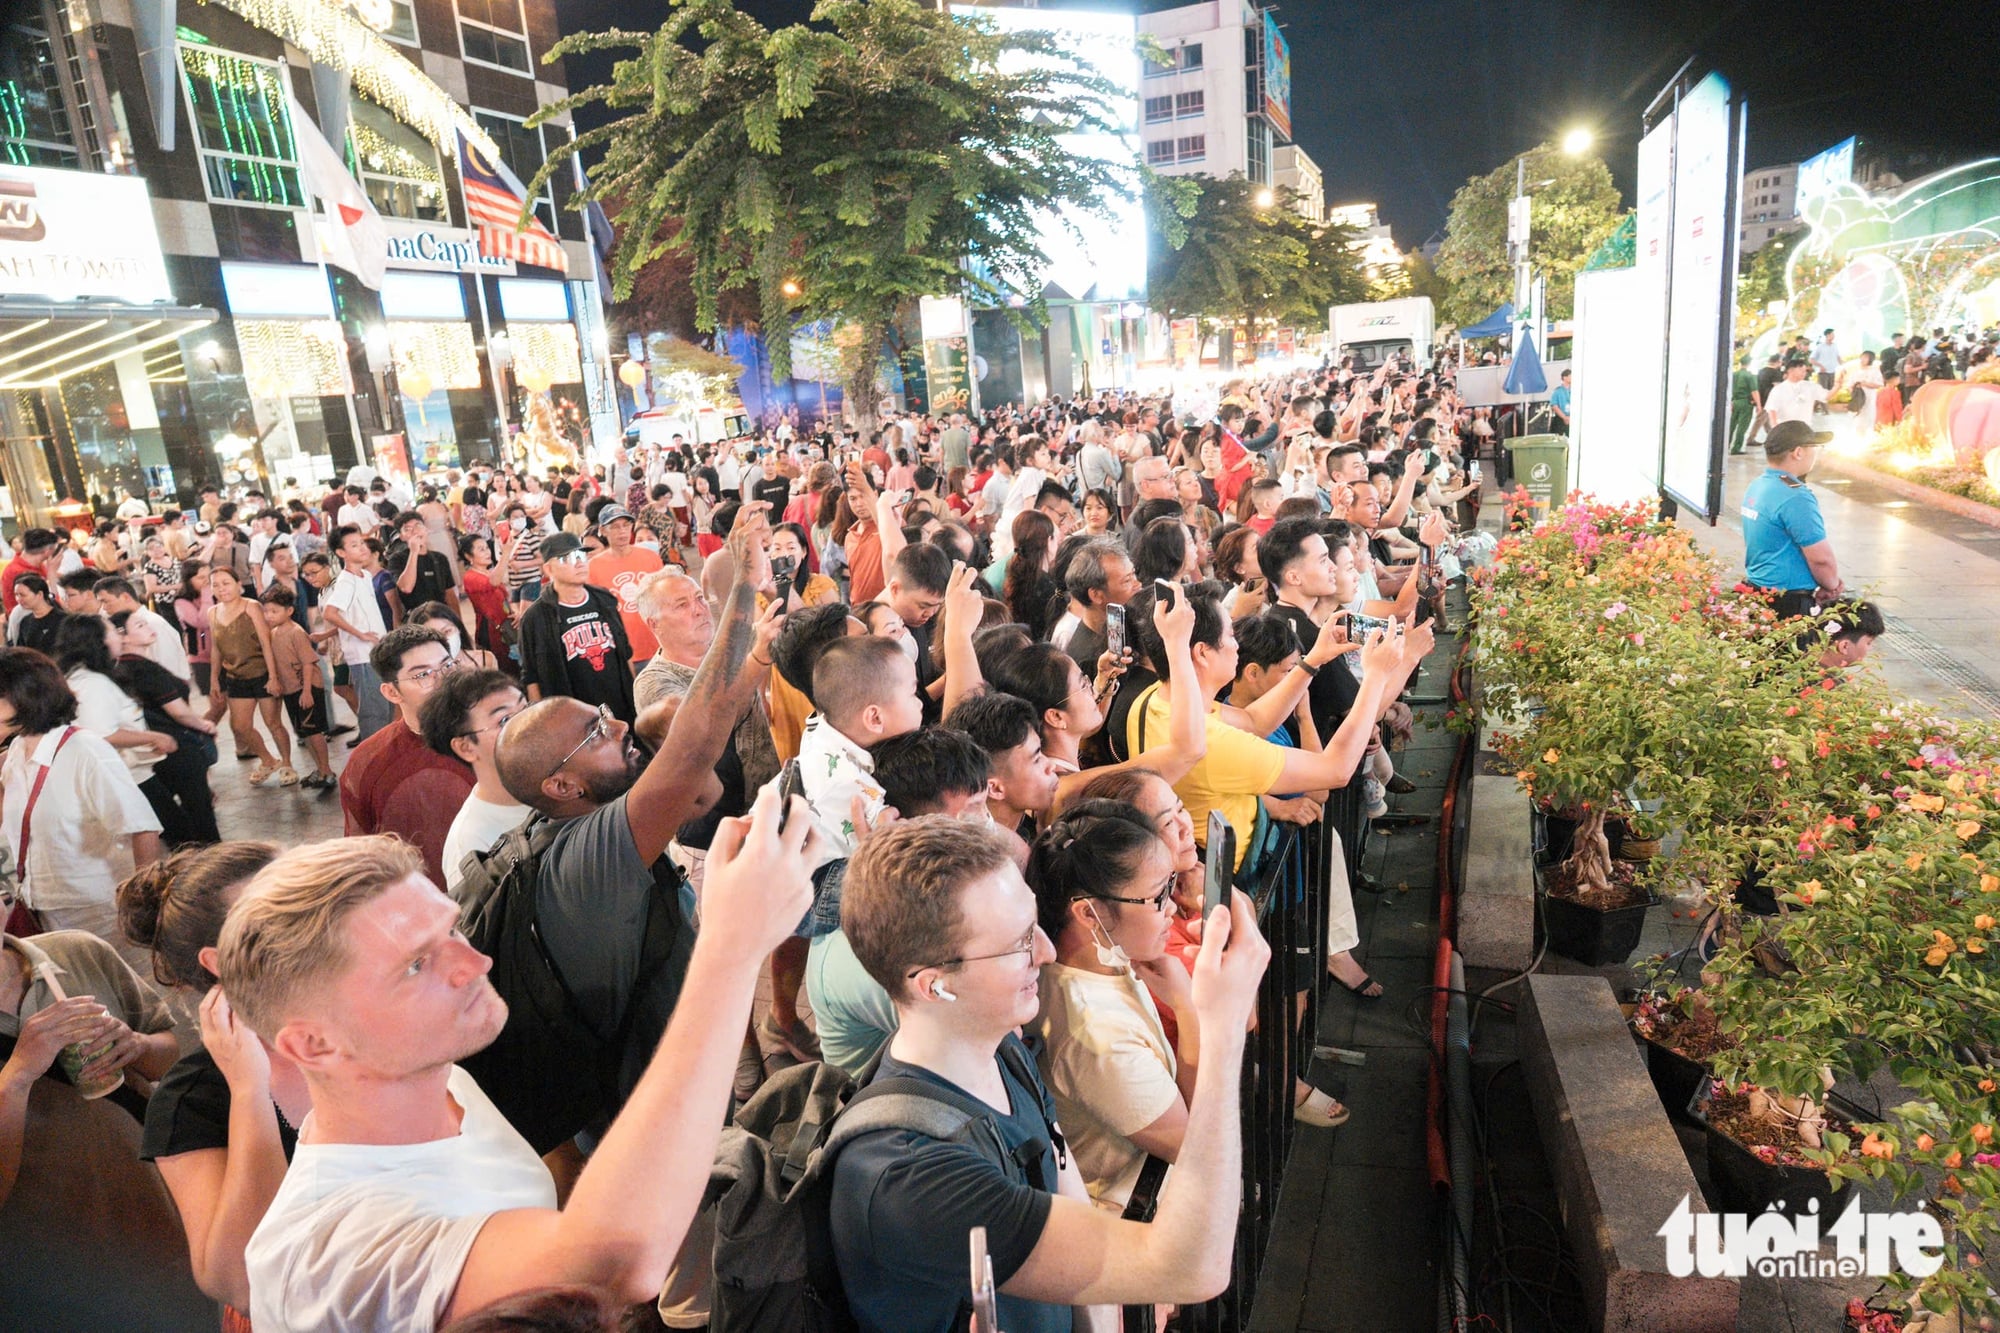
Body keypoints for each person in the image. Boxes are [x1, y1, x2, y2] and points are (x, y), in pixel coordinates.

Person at [218, 790, 815, 1333]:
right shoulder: (321, 1253)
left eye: (451, 931)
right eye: (415, 965)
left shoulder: (439, 1075)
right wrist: (731, 945)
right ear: (315, 1044)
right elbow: (609, 1266)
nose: (474, 963)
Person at [828, 816, 1267, 1332]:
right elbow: (1193, 1265)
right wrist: (1222, 1030)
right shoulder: (910, 1178)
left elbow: (1066, 1192)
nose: (1047, 951)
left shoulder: (1002, 1052)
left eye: (1035, 924)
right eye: (1018, 944)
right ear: (934, 985)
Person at [122, 842, 299, 1316]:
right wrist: (249, 1093)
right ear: (221, 963)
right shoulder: (194, 1100)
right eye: (285, 915)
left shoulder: (369, 1020)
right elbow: (239, 1281)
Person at [1029, 800, 1200, 1209]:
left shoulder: (1107, 960)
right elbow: (1193, 1144)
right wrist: (1189, 1008)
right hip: (1134, 1215)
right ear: (1089, 913)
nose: (1172, 907)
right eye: (1158, 896)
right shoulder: (1096, 1035)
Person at [0, 649, 162, 970]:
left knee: (112, 1005)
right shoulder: (17, 750)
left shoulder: (85, 750)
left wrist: (143, 904)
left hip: (95, 915)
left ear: (24, 698)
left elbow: (142, 826)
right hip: (41, 909)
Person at [339, 625, 477, 888]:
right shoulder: (368, 761)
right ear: (391, 692)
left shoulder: (493, 736)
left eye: (447, 666)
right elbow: (360, 854)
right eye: (423, 674)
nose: (443, 680)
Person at [420, 668, 530, 889]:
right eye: (505, 719)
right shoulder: (471, 845)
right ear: (466, 747)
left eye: (526, 709)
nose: (528, 723)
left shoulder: (564, 781)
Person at [517, 533, 636, 724]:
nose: (579, 563)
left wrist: (635, 698)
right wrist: (544, 724)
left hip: (622, 709)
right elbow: (531, 677)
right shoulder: (535, 618)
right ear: (548, 569)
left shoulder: (604, 600)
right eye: (567, 559)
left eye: (581, 556)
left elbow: (625, 652)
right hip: (573, 720)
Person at [1740, 419, 1844, 617]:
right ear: (1798, 452)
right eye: (1814, 447)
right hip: (1788, 604)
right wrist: (1832, 585)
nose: (1816, 453)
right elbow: (1821, 558)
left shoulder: (1759, 484)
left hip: (1757, 591)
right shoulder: (1796, 496)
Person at [258, 586, 336, 789]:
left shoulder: (296, 632)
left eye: (274, 611)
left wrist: (308, 691)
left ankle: (327, 771)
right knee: (304, 733)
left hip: (306, 690)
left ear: (289, 610)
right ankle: (319, 769)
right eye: (266, 611)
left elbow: (308, 663)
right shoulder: (273, 633)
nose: (269, 616)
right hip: (290, 691)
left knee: (314, 731)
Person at [321, 525, 394, 741]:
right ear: (341, 553)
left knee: (386, 706)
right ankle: (374, 763)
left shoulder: (363, 576)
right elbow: (330, 612)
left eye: (362, 543)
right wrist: (360, 634)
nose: (362, 548)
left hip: (376, 651)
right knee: (374, 711)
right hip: (362, 656)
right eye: (354, 545)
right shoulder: (346, 581)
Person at [1046, 539, 1139, 674]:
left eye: (1134, 574)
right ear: (1096, 595)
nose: (1138, 584)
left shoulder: (1122, 624)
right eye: (1127, 580)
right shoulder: (1089, 661)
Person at [95, 575, 192, 681]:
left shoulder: (153, 624)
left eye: (105, 601)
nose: (103, 608)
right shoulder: (127, 624)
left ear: (125, 597)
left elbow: (168, 668)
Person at [389, 511, 459, 624]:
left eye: (418, 525)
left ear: (426, 529)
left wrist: (459, 623)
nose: (415, 531)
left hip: (442, 616)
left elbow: (450, 594)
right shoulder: (397, 559)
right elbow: (406, 587)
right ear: (401, 537)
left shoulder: (439, 558)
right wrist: (414, 552)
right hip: (417, 621)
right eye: (407, 529)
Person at [1763, 357, 1830, 428]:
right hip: (1784, 428)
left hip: (1805, 428)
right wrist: (1774, 425)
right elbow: (1772, 409)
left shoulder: (1810, 386)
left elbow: (1826, 396)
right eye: (1801, 370)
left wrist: (1837, 386)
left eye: (1805, 371)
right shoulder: (1778, 389)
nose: (1804, 373)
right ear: (1791, 371)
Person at [9, 574, 66, 655]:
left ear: (39, 594)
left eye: (23, 595)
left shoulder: (62, 620)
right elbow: (21, 652)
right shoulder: (25, 621)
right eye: (16, 595)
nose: (18, 599)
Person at [1728, 354, 1759, 456]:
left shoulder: (1733, 375)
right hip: (1745, 402)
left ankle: (1725, 445)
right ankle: (1736, 448)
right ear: (1749, 364)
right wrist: (1759, 405)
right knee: (1742, 427)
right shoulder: (1750, 376)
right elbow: (1754, 391)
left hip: (1735, 401)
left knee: (1731, 425)